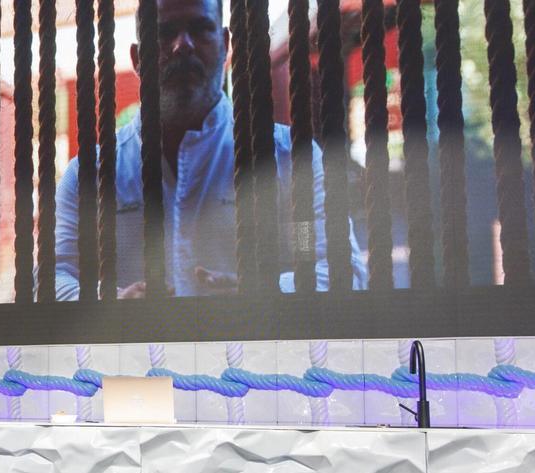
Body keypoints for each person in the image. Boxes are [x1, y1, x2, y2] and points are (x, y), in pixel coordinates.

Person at [55, 0, 368, 300]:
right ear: (137, 59)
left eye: (200, 28)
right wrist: (113, 301)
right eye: (165, 32)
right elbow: (54, 277)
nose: (183, 45)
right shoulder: (89, 176)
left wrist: (260, 294)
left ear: (225, 44)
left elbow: (335, 269)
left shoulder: (288, 161)